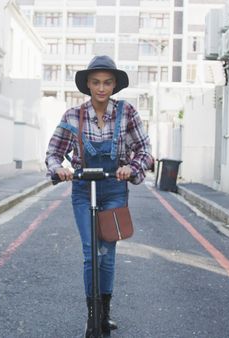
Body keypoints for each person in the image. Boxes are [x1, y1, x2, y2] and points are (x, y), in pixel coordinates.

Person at [45, 55, 153, 336]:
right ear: (88, 85)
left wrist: (132, 167)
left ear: (114, 85)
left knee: (107, 253)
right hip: (84, 189)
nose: (101, 88)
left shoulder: (127, 112)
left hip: (114, 188)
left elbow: (145, 151)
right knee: (90, 252)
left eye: (107, 82)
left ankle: (105, 315)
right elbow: (54, 153)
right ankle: (92, 316)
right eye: (96, 83)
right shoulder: (73, 116)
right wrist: (61, 170)